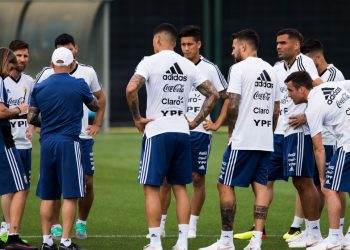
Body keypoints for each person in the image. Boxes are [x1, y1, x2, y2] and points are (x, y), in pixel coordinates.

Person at [126, 23, 218, 250]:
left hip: (157, 131)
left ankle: (155, 242)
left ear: (157, 41)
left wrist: (137, 118)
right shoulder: (187, 65)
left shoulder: (149, 61)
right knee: (180, 187)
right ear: (175, 43)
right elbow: (213, 94)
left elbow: (130, 89)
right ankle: (183, 241)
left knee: (152, 187)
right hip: (182, 131)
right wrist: (196, 122)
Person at [199, 29, 280, 250]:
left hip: (243, 139)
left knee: (224, 184)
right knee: (261, 187)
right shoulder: (271, 71)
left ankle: (226, 240)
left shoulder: (238, 68)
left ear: (243, 47)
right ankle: (256, 241)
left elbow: (233, 102)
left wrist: (230, 132)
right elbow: (276, 109)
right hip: (265, 140)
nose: (232, 50)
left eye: (234, 46)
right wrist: (269, 133)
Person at [155, 25, 229, 239]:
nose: (186, 49)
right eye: (183, 45)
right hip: (175, 127)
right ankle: (160, 224)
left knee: (197, 178)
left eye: (190, 44)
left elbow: (227, 97)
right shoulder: (173, 64)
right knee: (166, 180)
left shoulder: (210, 68)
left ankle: (193, 224)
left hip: (199, 132)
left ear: (199, 44)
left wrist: (216, 124)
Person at [35, 33, 106, 240]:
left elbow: (101, 99)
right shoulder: (46, 74)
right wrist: (40, 124)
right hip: (65, 138)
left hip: (79, 138)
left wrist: (97, 124)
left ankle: (81, 223)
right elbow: (35, 99)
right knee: (59, 186)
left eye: (69, 47)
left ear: (76, 49)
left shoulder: (88, 72)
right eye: (61, 47)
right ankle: (58, 228)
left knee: (87, 181)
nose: (67, 50)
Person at [285, 38, 347, 244]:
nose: (289, 96)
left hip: (346, 143)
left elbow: (318, 147)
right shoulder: (329, 88)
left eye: (291, 91)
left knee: (329, 188)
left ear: (303, 89)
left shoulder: (311, 108)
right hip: (344, 141)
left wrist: (321, 176)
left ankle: (334, 238)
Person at [0, 47, 37, 250]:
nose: (20, 60)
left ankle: (10, 233)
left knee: (18, 187)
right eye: (16, 57)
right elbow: (2, 112)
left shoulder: (29, 82)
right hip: (7, 141)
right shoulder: (1, 81)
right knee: (16, 187)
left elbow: (33, 110)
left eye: (24, 56)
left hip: (23, 142)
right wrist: (17, 110)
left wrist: (31, 125)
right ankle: (9, 234)